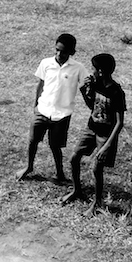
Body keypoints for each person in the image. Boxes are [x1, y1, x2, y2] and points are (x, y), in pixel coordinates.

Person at [61, 53, 126, 215]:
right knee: (74, 158)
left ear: (101, 71)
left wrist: (106, 147)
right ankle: (77, 191)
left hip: (105, 135)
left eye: (94, 69)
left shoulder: (116, 92)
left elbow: (119, 122)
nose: (92, 72)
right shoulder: (97, 84)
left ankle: (97, 203)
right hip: (91, 128)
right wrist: (85, 90)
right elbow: (93, 106)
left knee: (97, 168)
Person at [19, 33, 86, 183]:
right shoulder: (46, 63)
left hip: (62, 114)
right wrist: (36, 105)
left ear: (72, 52)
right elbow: (41, 84)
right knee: (32, 141)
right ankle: (29, 167)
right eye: (57, 50)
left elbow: (85, 88)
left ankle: (59, 173)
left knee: (55, 146)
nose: (59, 54)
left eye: (63, 51)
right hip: (42, 110)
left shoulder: (78, 69)